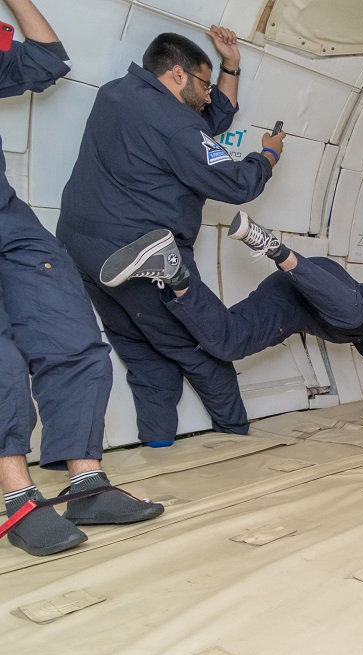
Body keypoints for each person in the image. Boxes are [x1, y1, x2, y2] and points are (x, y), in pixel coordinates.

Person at [57, 29, 286, 446]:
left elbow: (204, 123)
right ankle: (238, 443)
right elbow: (237, 183)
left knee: (142, 353)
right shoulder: (176, 126)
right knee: (201, 344)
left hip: (83, 249)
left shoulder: (115, 93)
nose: (209, 95)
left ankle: (158, 447)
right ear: (178, 74)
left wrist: (230, 65)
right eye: (205, 84)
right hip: (141, 254)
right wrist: (268, 155)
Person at [0, 0, 163, 557]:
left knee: (72, 335)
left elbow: (47, 59)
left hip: (8, 220)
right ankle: (18, 499)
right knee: (2, 359)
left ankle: (86, 485)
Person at [99, 214, 363, 400]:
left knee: (229, 344)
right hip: (316, 278)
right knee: (352, 312)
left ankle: (173, 271)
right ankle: (273, 247)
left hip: (290, 303)